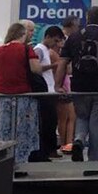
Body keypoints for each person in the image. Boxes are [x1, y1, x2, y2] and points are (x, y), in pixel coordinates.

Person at [54, 6, 98, 169]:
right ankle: (93, 164)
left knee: (82, 117)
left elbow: (62, 62)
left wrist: (58, 85)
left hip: (79, 88)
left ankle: (79, 139)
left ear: (87, 18)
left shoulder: (73, 37)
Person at [0, 22, 43, 174]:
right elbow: (35, 69)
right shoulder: (26, 49)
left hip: (3, 97)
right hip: (23, 96)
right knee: (23, 131)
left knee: (3, 130)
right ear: (22, 34)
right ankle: (20, 165)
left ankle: (2, 162)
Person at [32, 26, 65, 160]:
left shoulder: (46, 50)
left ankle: (50, 148)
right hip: (44, 90)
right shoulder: (39, 50)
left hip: (49, 89)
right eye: (55, 41)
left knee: (52, 121)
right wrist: (53, 66)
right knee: (47, 122)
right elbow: (36, 68)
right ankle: (45, 150)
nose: (55, 44)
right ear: (48, 37)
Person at [57, 16, 80, 153]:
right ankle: (65, 143)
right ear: (71, 26)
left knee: (71, 116)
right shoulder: (65, 40)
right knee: (65, 117)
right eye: (77, 26)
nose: (78, 28)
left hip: (68, 81)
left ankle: (69, 143)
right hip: (64, 82)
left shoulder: (71, 39)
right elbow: (63, 63)